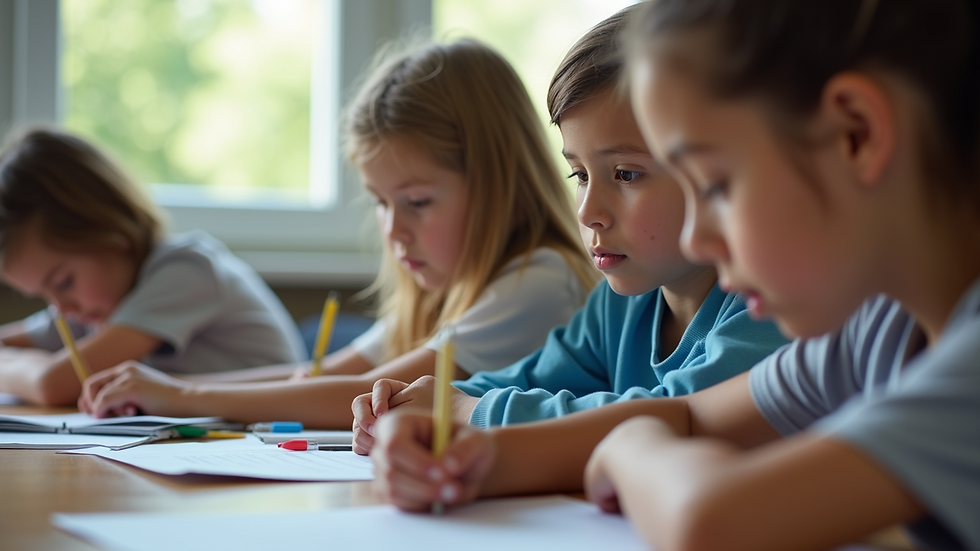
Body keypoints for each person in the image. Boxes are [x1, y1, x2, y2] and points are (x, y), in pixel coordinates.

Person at [368, 1, 980, 549]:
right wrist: (475, 455)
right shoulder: (878, 331)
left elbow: (709, 518)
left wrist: (628, 446)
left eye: (715, 184)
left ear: (858, 134)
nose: (698, 237)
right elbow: (691, 418)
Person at [78, 39, 599, 428]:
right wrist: (168, 386)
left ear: (498, 183)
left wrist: (182, 397)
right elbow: (314, 376)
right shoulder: (448, 291)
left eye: (417, 202)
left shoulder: (538, 280)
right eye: (379, 202)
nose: (394, 229)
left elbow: (369, 390)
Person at [350, 6, 787, 455]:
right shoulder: (617, 308)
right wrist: (420, 399)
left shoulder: (773, 303)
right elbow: (528, 380)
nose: (589, 211)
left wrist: (465, 412)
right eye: (579, 175)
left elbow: (676, 416)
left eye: (625, 174)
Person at [0, 128, 305, 406]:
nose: (61, 308)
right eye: (43, 294)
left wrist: (37, 368)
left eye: (64, 282)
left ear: (109, 235)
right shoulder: (94, 303)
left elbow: (54, 385)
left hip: (270, 429)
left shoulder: (186, 270)